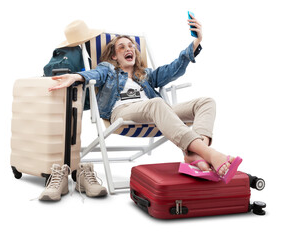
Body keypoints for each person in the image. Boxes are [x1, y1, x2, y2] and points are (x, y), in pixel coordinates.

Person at [49, 15, 242, 184]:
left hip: (156, 112)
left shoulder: (146, 75)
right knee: (157, 103)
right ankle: (209, 154)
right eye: (122, 47)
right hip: (123, 112)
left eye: (131, 45)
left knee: (206, 102)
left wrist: (196, 42)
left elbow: (174, 68)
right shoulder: (108, 69)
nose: (128, 48)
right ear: (115, 56)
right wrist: (77, 77)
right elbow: (95, 73)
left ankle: (193, 154)